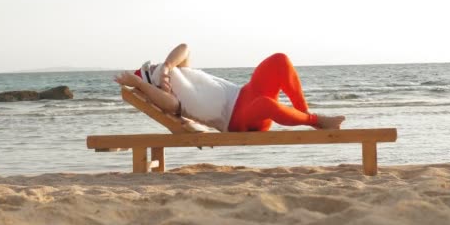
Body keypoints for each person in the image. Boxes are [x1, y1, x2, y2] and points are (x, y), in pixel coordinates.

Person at [114, 43, 345, 132]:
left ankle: (303, 114)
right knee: (266, 104)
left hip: (244, 92)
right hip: (238, 119)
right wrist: (138, 84)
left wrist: (165, 67)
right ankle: (316, 121)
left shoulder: (178, 70)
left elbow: (184, 47)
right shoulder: (168, 97)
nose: (155, 66)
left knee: (279, 60)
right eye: (151, 69)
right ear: (151, 83)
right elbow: (171, 105)